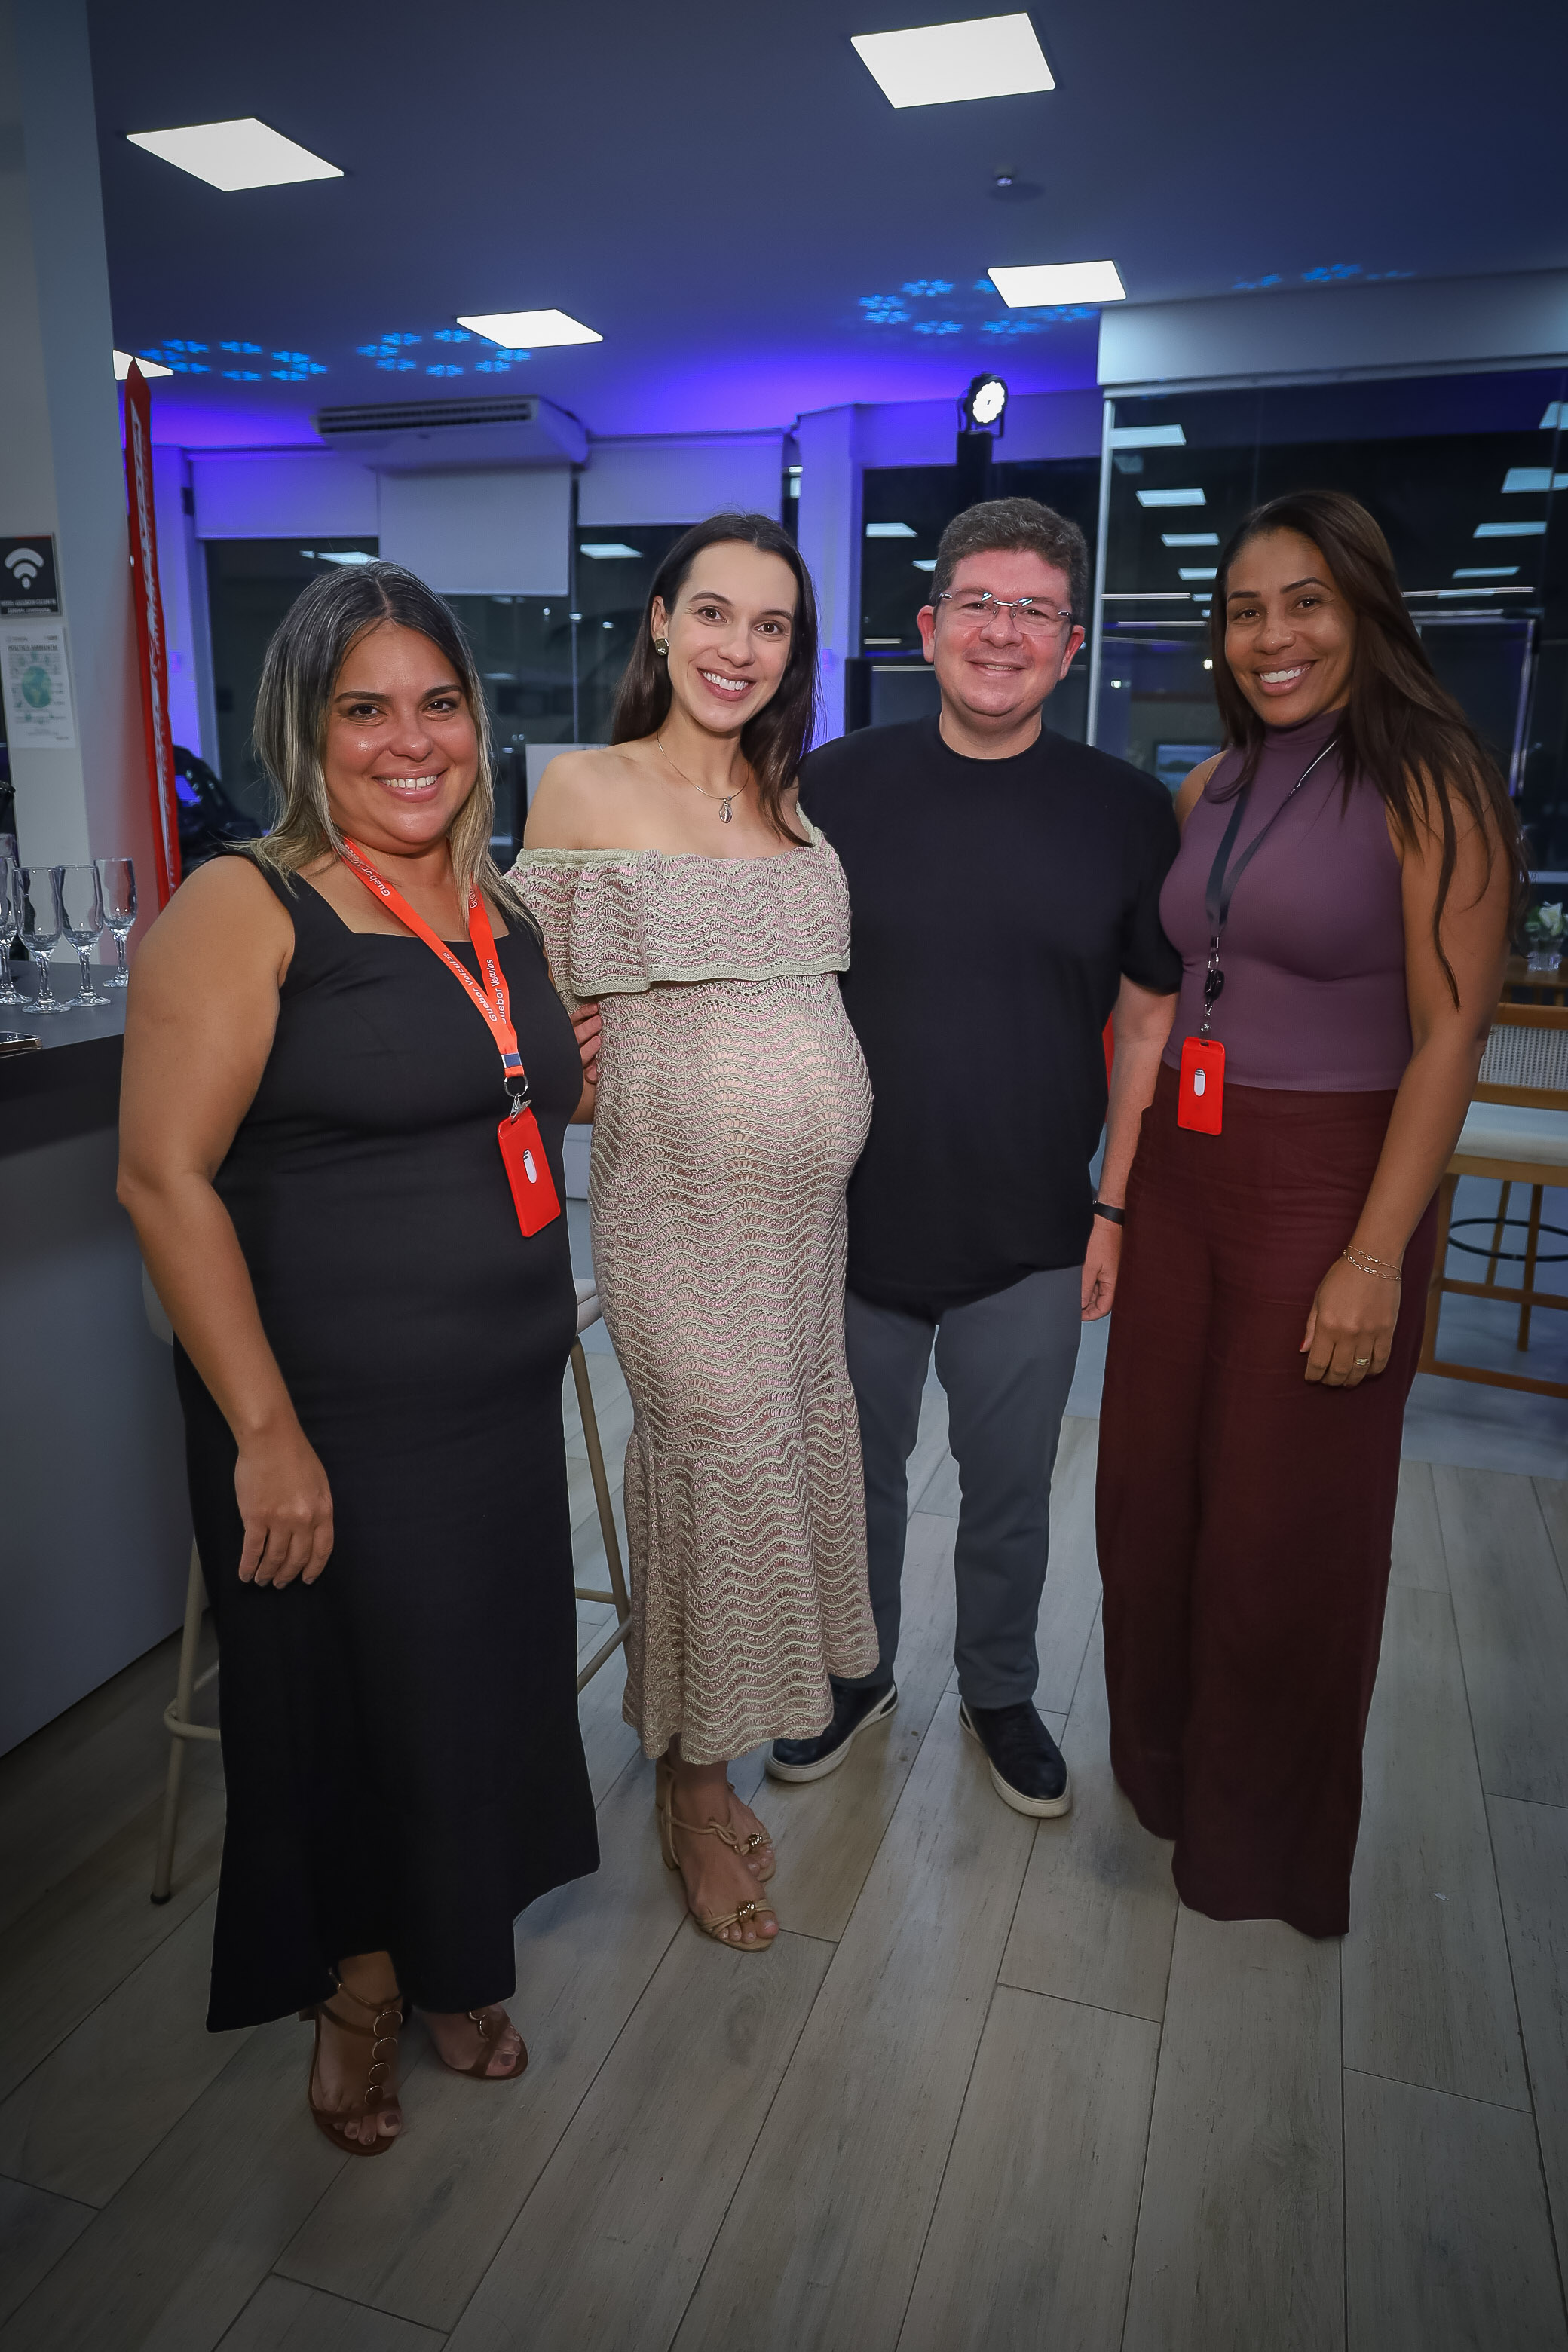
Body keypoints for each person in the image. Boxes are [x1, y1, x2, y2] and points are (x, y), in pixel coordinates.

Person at [118, 563, 601, 2154]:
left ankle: (463, 1954)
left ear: (478, 719)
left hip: (492, 1404)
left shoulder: (498, 902)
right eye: (365, 710)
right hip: (324, 1416)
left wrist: (555, 1081)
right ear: (303, 731)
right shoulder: (241, 906)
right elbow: (161, 1177)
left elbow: (486, 1101)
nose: (412, 742)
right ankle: (364, 1992)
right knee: (358, 1716)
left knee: (476, 1703)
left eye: (439, 704)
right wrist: (263, 1429)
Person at [1095, 489, 1521, 1937]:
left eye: (1306, 602)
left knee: (1284, 1536)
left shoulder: (1435, 782)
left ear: (1366, 610)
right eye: (1244, 608)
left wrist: (1374, 1257)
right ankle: (1166, 1789)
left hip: (1329, 1188)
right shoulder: (1211, 787)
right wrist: (1121, 1187)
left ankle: (1260, 1852)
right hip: (1186, 1182)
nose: (1271, 635)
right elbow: (1161, 996)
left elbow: (1451, 1040)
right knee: (1152, 1505)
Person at [778, 497, 1182, 1814]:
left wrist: (1113, 1204)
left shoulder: (1126, 813)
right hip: (849, 1221)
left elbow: (1145, 1018)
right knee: (852, 1487)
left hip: (1032, 1226)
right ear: (928, 627)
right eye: (979, 604)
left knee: (1010, 1496)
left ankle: (1001, 1690)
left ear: (1072, 647)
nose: (1003, 633)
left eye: (1035, 612)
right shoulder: (832, 787)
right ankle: (857, 1674)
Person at [514, 513, 878, 1952]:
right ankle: (686, 1781)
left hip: (802, 1231)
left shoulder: (791, 798)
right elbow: (525, 1014)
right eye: (713, 614)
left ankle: (711, 1751)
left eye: (771, 626)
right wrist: (569, 1058)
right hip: (675, 1208)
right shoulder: (583, 792)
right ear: (658, 623)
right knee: (714, 1459)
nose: (739, 648)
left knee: (772, 1456)